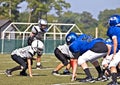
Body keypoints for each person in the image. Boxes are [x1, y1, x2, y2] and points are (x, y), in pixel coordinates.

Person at [106, 14, 120, 85]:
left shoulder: (112, 29)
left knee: (112, 64)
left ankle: (114, 82)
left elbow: (115, 42)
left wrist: (114, 54)